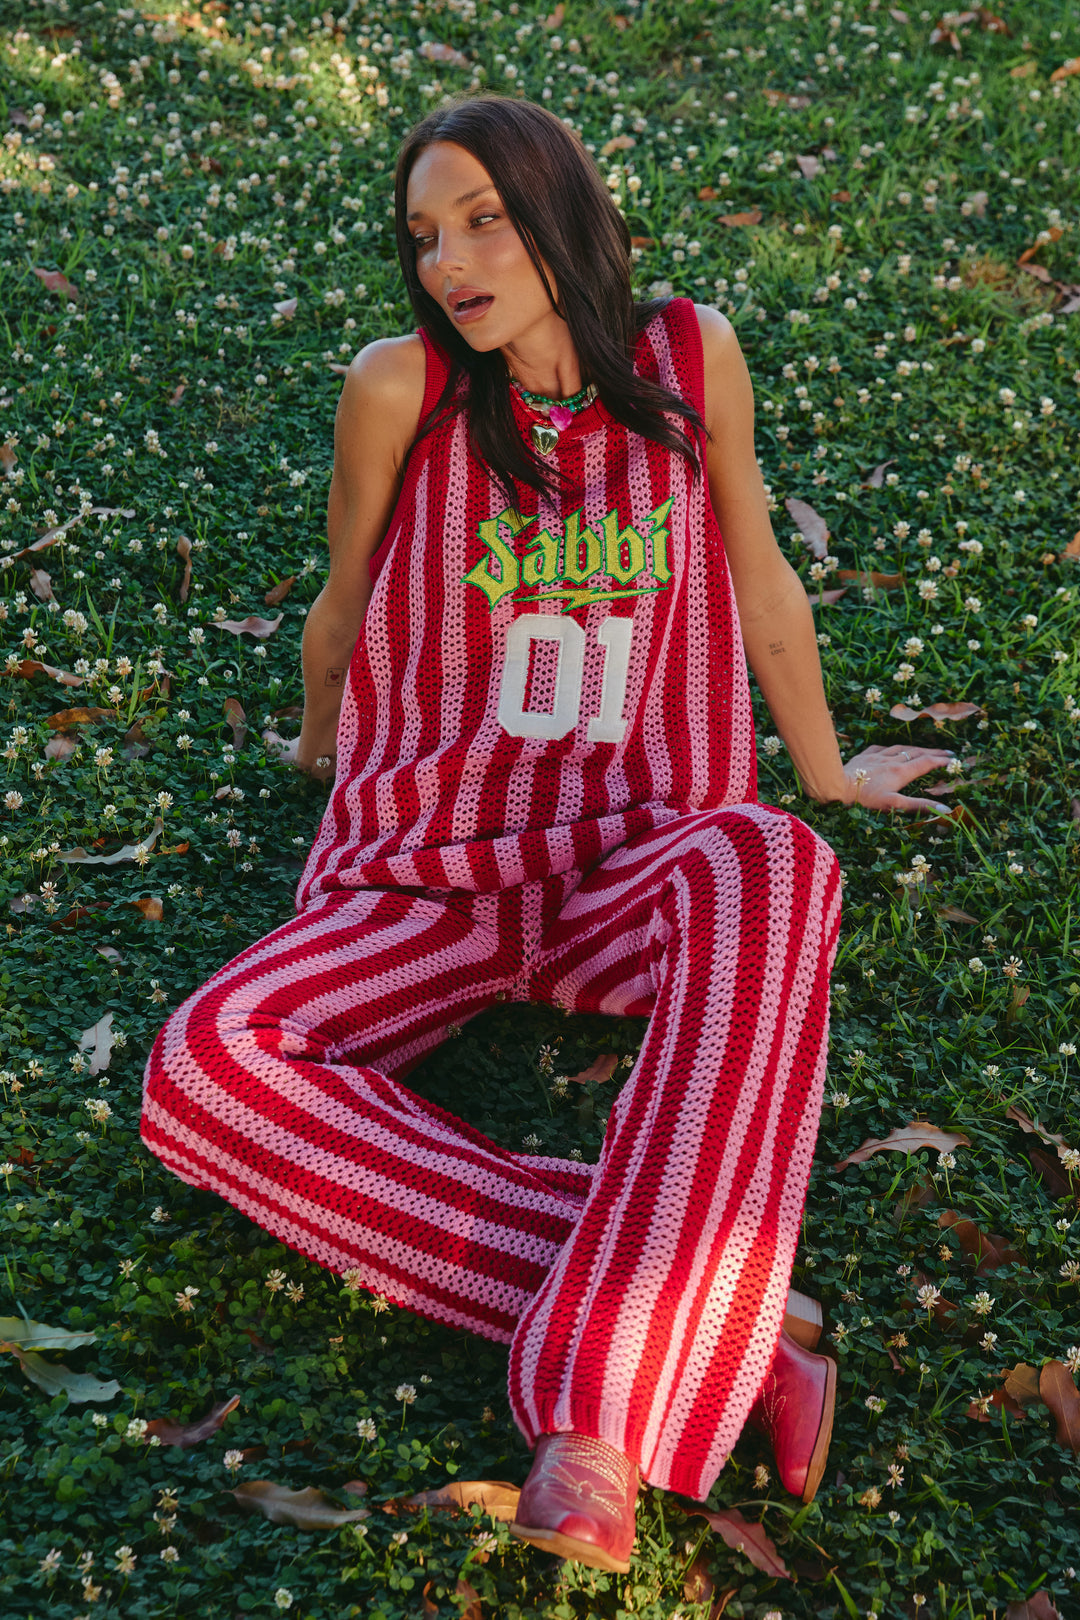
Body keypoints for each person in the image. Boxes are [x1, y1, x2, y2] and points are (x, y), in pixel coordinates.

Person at [140, 94, 954, 1575]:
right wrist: (314, 750)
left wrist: (827, 777)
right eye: (424, 237)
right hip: (436, 870)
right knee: (207, 1071)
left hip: (627, 859)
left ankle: (602, 1417)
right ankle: (727, 1321)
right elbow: (344, 595)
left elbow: (759, 573)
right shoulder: (400, 388)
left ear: (558, 210)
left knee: (777, 862)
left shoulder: (687, 357)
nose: (449, 263)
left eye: (484, 221)